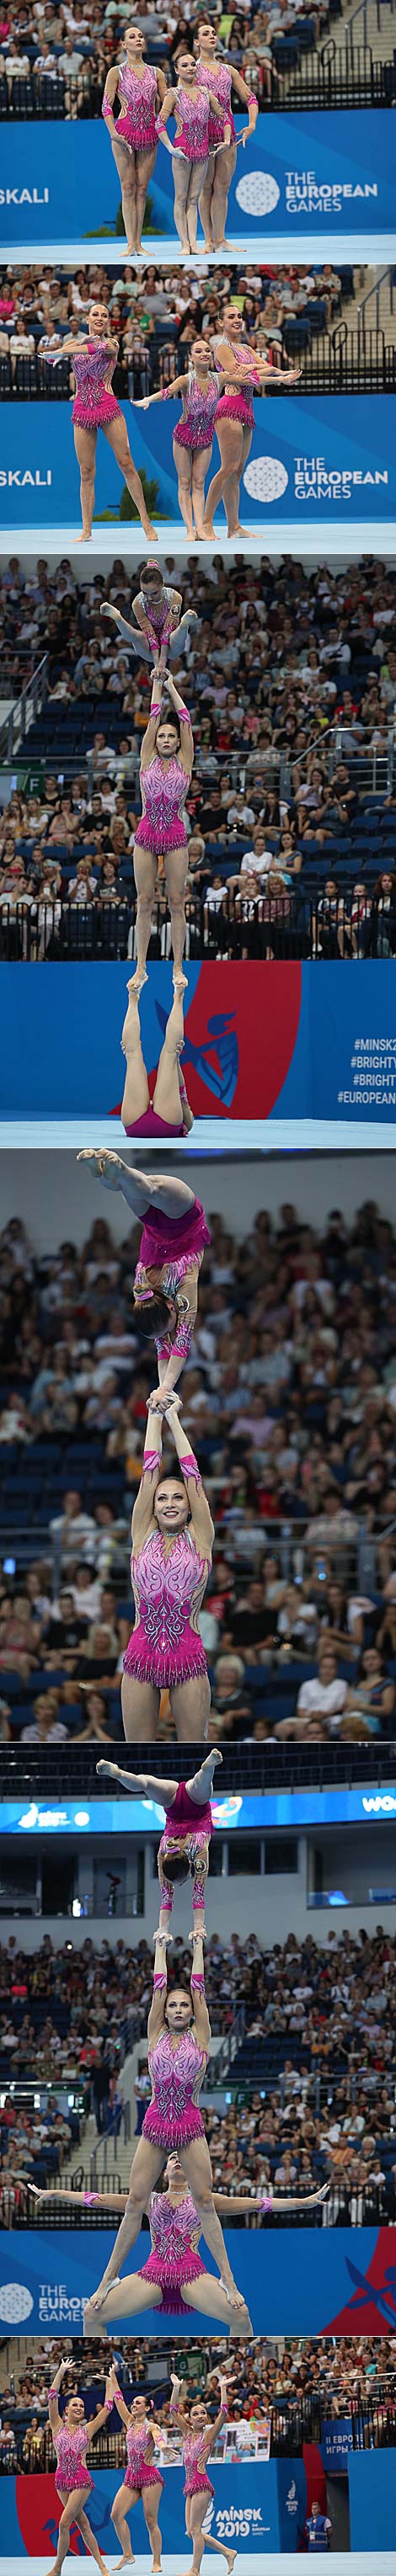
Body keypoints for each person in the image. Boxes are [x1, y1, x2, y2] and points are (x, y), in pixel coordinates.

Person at [82, 1927, 247, 2323]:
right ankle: (107, 2279)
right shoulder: (154, 2033)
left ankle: (227, 2278)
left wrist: (198, 1946)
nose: (176, 2009)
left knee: (205, 2201)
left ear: (192, 2013)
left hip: (188, 2125)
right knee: (136, 2203)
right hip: (156, 2124)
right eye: (172, 2005)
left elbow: (199, 1986)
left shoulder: (202, 2036)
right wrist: (160, 1947)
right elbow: (157, 1989)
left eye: (183, 2006)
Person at [76, 1151, 209, 1390]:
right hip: (167, 1222)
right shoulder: (141, 1293)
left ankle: (117, 1172)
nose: (167, 1336)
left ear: (170, 1307)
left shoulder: (183, 1288)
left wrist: (165, 1389)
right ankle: (107, 1174)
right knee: (141, 1189)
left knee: (150, 1189)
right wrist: (163, 1389)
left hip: (181, 1222)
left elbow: (179, 1346)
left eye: (167, 1330)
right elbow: (169, 1349)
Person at [120, 1402, 214, 1740]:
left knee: (193, 1748)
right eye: (162, 1499)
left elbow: (193, 1475)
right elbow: (149, 1473)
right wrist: (153, 1416)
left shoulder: (201, 1537)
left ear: (189, 1505)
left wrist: (174, 1418)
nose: (170, 1503)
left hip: (186, 1656)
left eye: (177, 1497)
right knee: (139, 1754)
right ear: (154, 1508)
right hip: (140, 1656)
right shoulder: (141, 1535)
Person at [43, 303, 156, 544]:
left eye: (104, 315)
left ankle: (146, 522)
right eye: (96, 314)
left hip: (107, 406)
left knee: (126, 463)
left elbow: (97, 348)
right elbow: (61, 355)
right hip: (82, 409)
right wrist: (60, 353)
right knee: (86, 472)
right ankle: (86, 530)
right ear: (87, 318)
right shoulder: (74, 345)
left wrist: (64, 351)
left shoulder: (112, 344)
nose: (100, 318)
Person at [203, 309, 302, 540]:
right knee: (227, 468)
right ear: (221, 323)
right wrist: (278, 376)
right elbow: (243, 377)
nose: (237, 320)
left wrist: (269, 369)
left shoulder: (246, 349)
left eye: (239, 316)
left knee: (236, 472)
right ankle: (206, 523)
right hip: (229, 407)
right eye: (231, 317)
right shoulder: (222, 347)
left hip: (247, 411)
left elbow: (263, 366)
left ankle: (234, 527)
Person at [96, 1749, 221, 1929]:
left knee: (199, 1787)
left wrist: (198, 1926)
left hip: (197, 1808)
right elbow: (168, 1899)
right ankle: (120, 1774)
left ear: (189, 1869)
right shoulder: (164, 1852)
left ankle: (207, 1772)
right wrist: (162, 1929)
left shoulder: (199, 1848)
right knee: (145, 1783)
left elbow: (198, 1893)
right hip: (173, 1806)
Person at [131, 654, 194, 987]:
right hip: (145, 836)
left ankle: (177, 967)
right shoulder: (146, 758)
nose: (166, 739)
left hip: (175, 837)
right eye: (162, 737)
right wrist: (155, 685)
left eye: (171, 737)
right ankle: (141, 966)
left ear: (178, 742)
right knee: (144, 901)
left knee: (177, 903)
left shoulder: (186, 759)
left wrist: (169, 684)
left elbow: (185, 718)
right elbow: (154, 719)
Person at [137, 342, 226, 540]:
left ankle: (201, 529)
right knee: (185, 482)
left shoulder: (220, 379)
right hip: (183, 437)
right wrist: (148, 400)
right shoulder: (186, 380)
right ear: (190, 357)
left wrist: (279, 377)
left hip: (205, 438)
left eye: (207, 351)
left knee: (199, 482)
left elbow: (249, 380)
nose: (204, 354)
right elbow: (167, 392)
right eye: (199, 351)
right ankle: (189, 529)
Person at [46, 2355, 118, 2576]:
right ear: (66, 2410)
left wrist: (109, 2382)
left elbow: (107, 2408)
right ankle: (102, 2566)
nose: (78, 2407)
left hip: (81, 2480)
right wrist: (61, 2371)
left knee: (64, 2522)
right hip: (61, 2481)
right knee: (84, 2525)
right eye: (74, 2405)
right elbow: (52, 2395)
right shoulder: (56, 2425)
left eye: (81, 2405)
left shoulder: (87, 2430)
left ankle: (57, 2568)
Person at [102, 26, 167, 255]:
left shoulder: (156, 73)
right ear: (123, 44)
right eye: (132, 37)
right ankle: (130, 244)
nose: (138, 39)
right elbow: (106, 106)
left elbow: (167, 104)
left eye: (141, 36)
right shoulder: (116, 72)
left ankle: (139, 244)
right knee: (128, 188)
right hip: (124, 134)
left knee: (142, 189)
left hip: (149, 134)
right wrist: (113, 133)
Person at [195, 23, 259, 251]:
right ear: (196, 42)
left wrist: (251, 124)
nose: (211, 36)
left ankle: (221, 240)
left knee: (222, 187)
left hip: (227, 133)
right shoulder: (192, 70)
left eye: (213, 33)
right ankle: (208, 240)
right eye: (205, 34)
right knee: (206, 189)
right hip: (202, 134)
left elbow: (250, 97)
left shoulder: (228, 70)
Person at [155, 56, 227, 253]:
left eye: (193, 64)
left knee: (194, 199)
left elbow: (224, 115)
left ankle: (194, 243)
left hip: (202, 152)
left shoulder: (206, 93)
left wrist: (227, 140)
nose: (190, 68)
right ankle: (184, 244)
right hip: (182, 152)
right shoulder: (174, 94)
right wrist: (170, 148)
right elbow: (159, 123)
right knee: (181, 198)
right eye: (184, 65)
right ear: (176, 70)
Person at [169, 2367, 237, 2575]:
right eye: (195, 2414)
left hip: (201, 2485)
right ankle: (228, 2552)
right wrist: (176, 2388)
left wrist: (223, 2389)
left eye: (203, 2413)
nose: (200, 2416)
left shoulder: (209, 2436)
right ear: (190, 2418)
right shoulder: (187, 2433)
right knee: (191, 2532)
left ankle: (195, 2570)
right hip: (189, 2486)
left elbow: (224, 2412)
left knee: (196, 2530)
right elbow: (173, 2410)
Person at [110, 2384, 165, 2572]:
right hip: (131, 2479)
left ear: (147, 2407)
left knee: (151, 2521)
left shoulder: (152, 2426)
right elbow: (118, 2399)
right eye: (133, 2403)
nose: (134, 2405)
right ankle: (128, 2555)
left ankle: (156, 2561)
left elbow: (158, 2437)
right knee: (116, 2515)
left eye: (138, 2403)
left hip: (150, 2478)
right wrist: (112, 2377)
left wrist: (164, 2447)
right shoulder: (130, 2422)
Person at [102, 561, 198, 661]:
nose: (150, 598)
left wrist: (161, 663)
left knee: (175, 636)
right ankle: (118, 619)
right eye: (145, 593)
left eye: (154, 593)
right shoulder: (138, 602)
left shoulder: (174, 596)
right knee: (138, 636)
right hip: (149, 646)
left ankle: (184, 625)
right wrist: (157, 663)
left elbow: (168, 629)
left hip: (171, 646)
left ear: (162, 585)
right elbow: (149, 632)